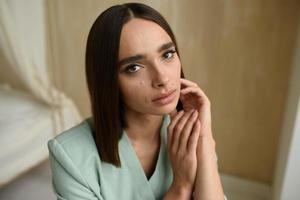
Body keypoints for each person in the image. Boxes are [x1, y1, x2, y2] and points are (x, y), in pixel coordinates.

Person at [48, 2, 226, 200]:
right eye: (134, 67)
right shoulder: (71, 155)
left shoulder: (189, 129)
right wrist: (181, 187)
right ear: (108, 80)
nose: (162, 79)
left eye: (167, 55)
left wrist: (204, 139)